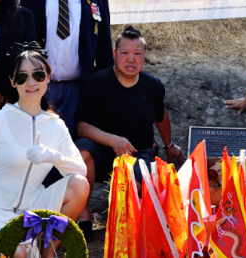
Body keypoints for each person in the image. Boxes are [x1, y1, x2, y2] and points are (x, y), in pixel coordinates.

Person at [0, 46, 89, 258]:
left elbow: (80, 171)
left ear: (47, 78)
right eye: (22, 77)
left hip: (29, 212)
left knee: (79, 185)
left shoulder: (56, 125)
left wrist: (53, 156)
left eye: (37, 75)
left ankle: (47, 251)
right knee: (15, 252)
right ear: (12, 81)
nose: (31, 82)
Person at [74, 26, 186, 238]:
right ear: (115, 55)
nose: (131, 59)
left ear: (144, 57)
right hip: (103, 152)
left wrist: (169, 146)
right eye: (125, 53)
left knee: (137, 186)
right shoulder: (97, 83)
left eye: (137, 54)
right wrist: (112, 140)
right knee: (82, 151)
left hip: (138, 153)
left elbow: (160, 116)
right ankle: (84, 219)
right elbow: (82, 127)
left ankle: (126, 224)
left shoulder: (153, 86)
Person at [20, 0, 114, 139]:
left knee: (69, 149)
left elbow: (105, 51)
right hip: (34, 85)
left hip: (77, 90)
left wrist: (105, 92)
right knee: (33, 147)